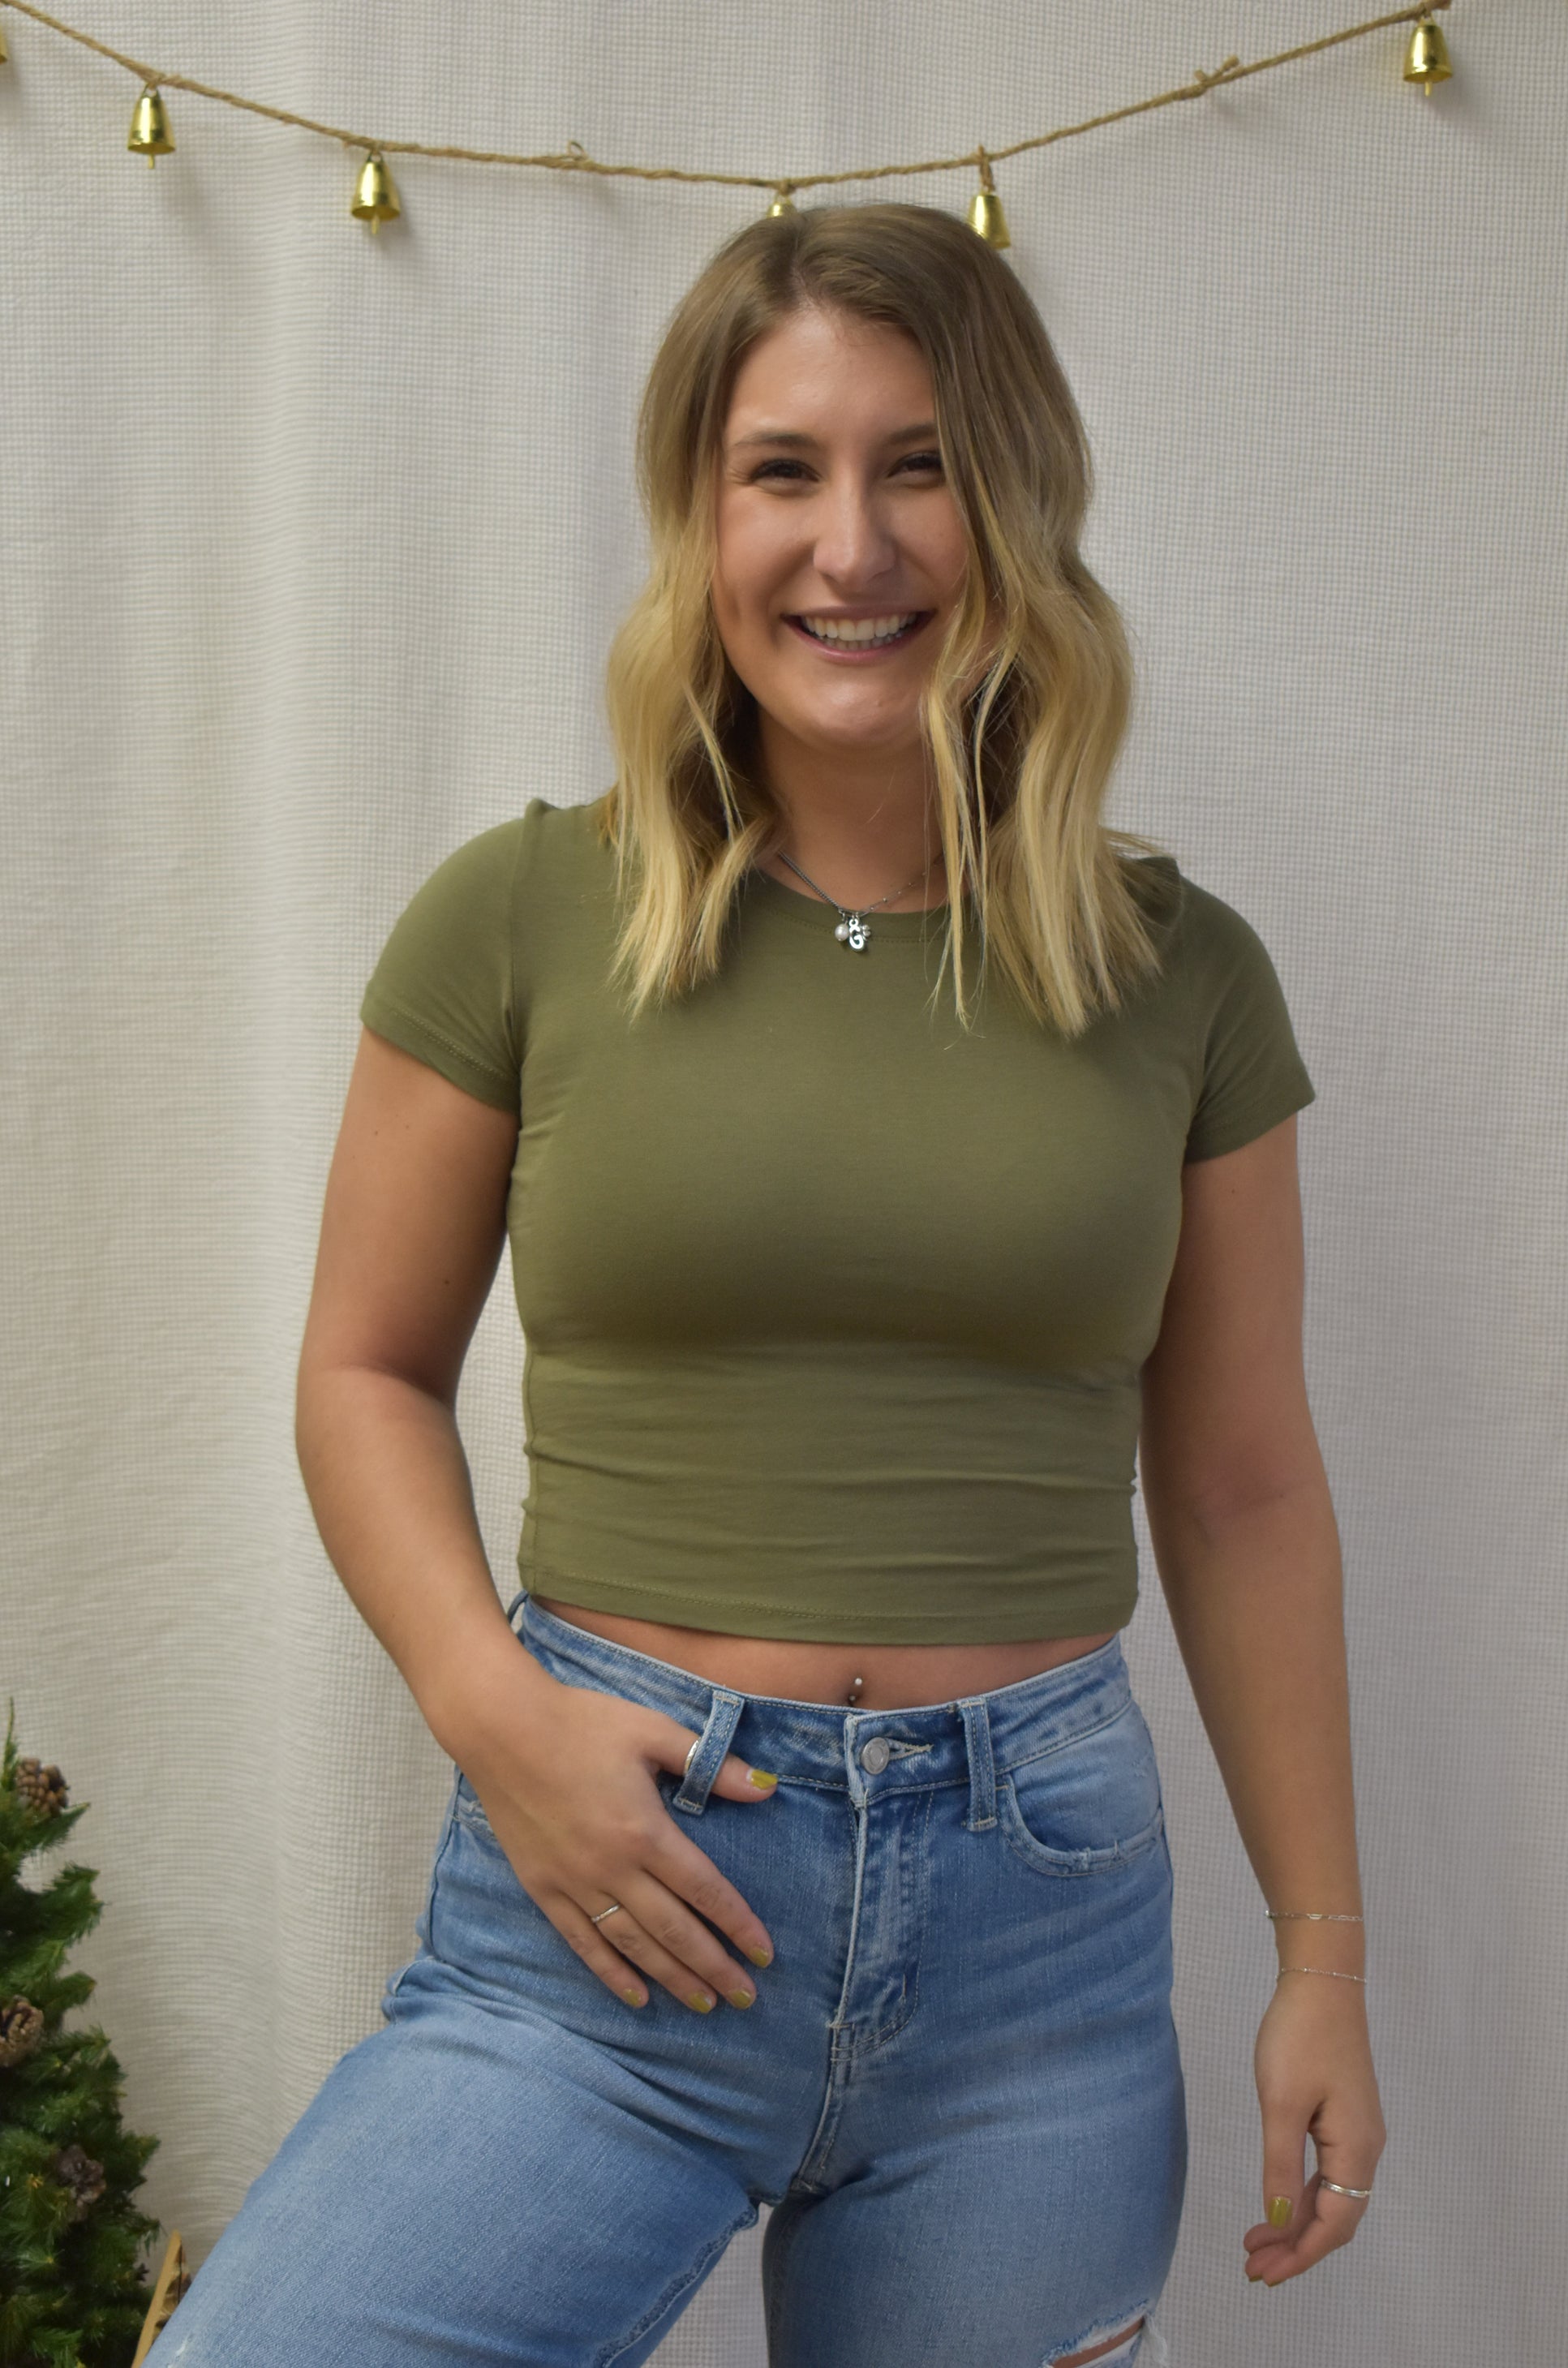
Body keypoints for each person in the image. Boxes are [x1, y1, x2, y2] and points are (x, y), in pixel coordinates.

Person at [148, 202, 1385, 2368]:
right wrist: (492, 1714)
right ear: (698, 520)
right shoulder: (525, 912)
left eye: (920, 467)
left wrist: (1324, 1960)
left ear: (1015, 509)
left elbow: (1245, 1487)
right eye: (781, 472)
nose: (853, 546)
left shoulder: (1180, 971)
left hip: (1037, 1965)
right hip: (607, 1899)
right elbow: (362, 1370)